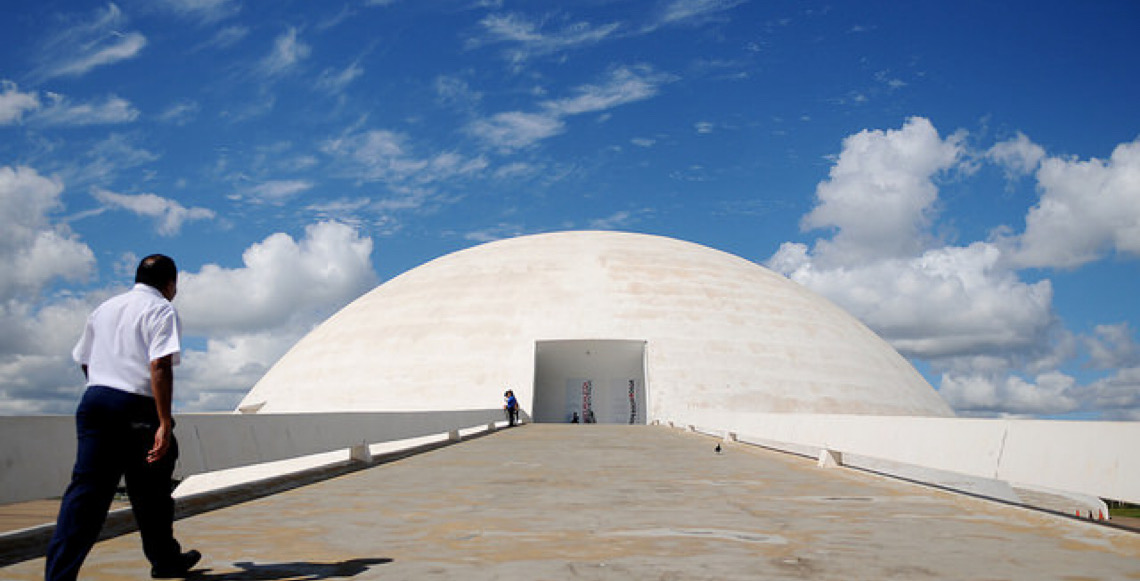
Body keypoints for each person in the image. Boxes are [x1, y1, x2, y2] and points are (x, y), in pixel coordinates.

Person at [46, 255, 201, 581]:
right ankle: (163, 560)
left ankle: (59, 575)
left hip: (95, 400)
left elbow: (84, 361)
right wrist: (164, 421)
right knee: (153, 491)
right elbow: (159, 366)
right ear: (170, 284)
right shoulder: (161, 309)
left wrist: (105, 383)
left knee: (86, 495)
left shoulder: (104, 309)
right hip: (136, 408)